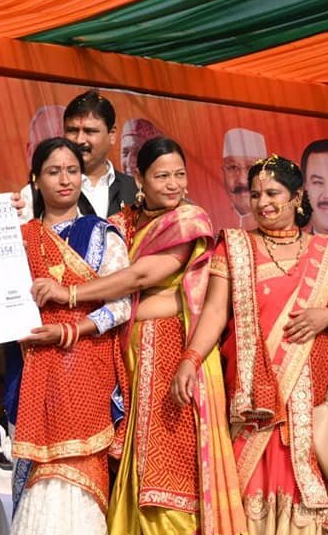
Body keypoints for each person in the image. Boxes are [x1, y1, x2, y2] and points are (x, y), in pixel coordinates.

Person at [30, 137, 246, 535]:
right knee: (135, 462)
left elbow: (140, 276)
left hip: (175, 353)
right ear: (140, 179)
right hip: (127, 356)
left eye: (180, 174)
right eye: (162, 176)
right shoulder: (121, 223)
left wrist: (71, 294)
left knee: (173, 466)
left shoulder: (188, 221)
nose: (173, 184)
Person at [172, 154, 328, 535]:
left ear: (297, 196)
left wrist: (327, 317)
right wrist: (190, 359)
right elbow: (215, 312)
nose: (263, 203)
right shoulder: (235, 246)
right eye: (256, 194)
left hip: (312, 405)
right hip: (255, 403)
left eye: (273, 193)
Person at [9, 137, 131, 535]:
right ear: (35, 179)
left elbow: (122, 305)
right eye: (53, 171)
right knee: (37, 478)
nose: (65, 180)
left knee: (79, 477)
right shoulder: (17, 238)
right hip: (30, 371)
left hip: (86, 370)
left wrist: (69, 330)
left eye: (72, 171)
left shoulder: (102, 235)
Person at [19, 91, 137, 221]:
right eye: (72, 131)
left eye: (89, 131)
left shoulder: (136, 190)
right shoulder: (36, 194)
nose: (80, 140)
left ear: (112, 134)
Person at [220, 127, 267, 231]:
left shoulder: (279, 222)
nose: (242, 180)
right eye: (233, 167)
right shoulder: (212, 221)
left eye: (250, 168)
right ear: (223, 172)